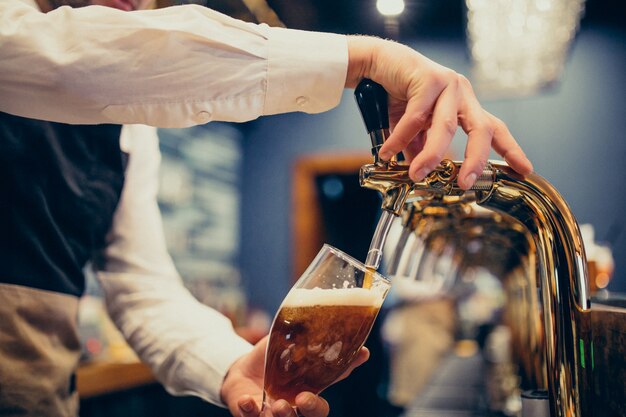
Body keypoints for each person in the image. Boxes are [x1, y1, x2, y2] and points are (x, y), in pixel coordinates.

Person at [0, 0, 534, 416]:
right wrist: (363, 59)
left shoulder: (127, 127)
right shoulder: (17, 36)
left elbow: (142, 291)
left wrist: (229, 364)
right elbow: (72, 57)